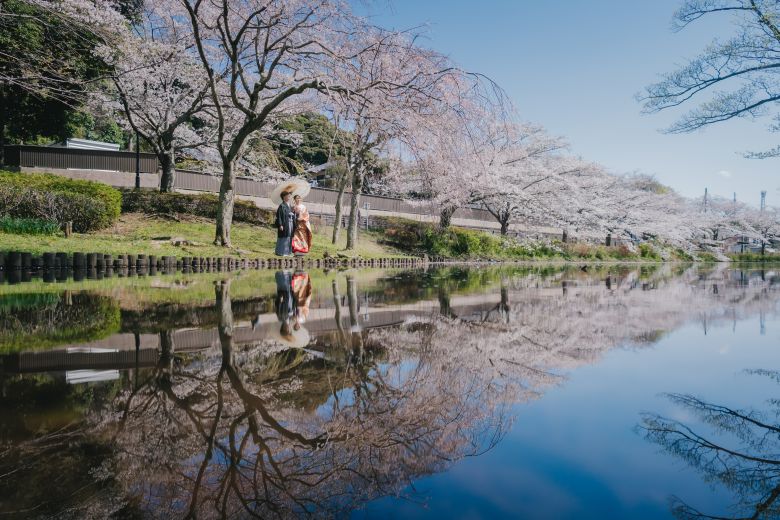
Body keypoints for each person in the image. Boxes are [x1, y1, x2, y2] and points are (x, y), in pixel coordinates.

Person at [274, 191, 296, 256]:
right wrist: (280, 224)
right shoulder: (282, 206)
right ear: (284, 197)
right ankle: (281, 252)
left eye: (289, 196)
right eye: (287, 196)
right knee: (284, 236)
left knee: (290, 236)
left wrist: (293, 211)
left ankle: (288, 252)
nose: (289, 197)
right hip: (285, 223)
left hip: (290, 223)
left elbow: (292, 213)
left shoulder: (289, 205)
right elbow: (279, 216)